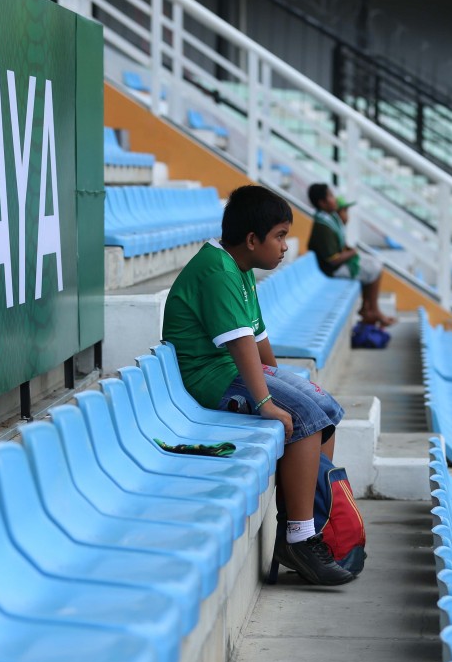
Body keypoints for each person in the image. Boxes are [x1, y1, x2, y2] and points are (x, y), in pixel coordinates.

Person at [162, 185, 355, 586]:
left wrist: (282, 380)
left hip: (232, 370)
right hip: (209, 378)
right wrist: (268, 400)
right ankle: (299, 537)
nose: (285, 246)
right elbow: (239, 342)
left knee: (327, 409)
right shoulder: (217, 271)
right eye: (280, 236)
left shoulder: (240, 267)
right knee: (304, 419)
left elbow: (259, 337)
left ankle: (305, 519)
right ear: (252, 240)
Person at [306, 183, 396, 328]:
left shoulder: (329, 218)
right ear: (322, 203)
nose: (334, 199)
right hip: (331, 271)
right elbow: (333, 260)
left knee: (376, 262)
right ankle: (373, 310)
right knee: (374, 268)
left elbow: (340, 247)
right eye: (330, 196)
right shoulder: (323, 225)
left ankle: (368, 309)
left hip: (336, 266)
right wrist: (353, 252)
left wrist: (349, 251)